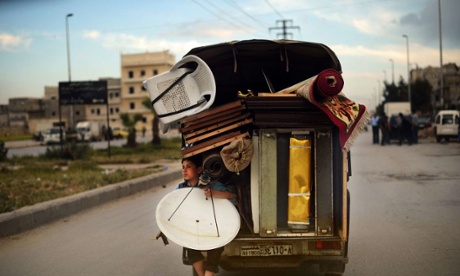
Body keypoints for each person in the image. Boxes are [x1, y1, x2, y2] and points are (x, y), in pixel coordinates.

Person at [177, 155, 236, 276]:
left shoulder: (211, 185)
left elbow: (231, 195)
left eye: (188, 167)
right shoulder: (180, 189)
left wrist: (214, 193)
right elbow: (172, 205)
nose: (184, 170)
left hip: (212, 225)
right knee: (190, 247)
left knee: (215, 247)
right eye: (183, 167)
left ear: (199, 170)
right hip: (194, 226)